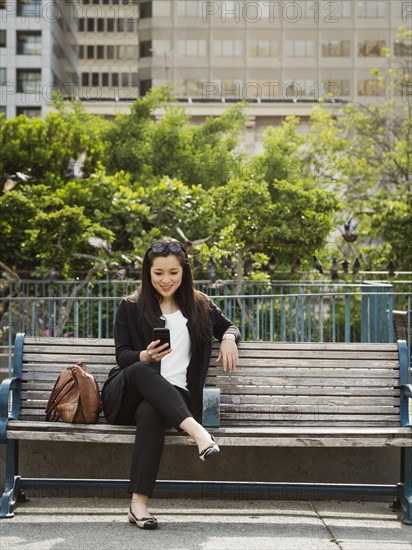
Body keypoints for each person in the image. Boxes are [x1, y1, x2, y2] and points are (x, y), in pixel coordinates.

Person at [101, 239, 239, 530]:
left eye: (173, 273)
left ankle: (138, 505)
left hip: (171, 402)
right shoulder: (131, 306)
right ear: (148, 272)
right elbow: (122, 354)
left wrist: (228, 338)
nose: (166, 280)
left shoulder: (199, 305)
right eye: (158, 272)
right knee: (141, 369)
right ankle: (197, 432)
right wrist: (145, 355)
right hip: (127, 394)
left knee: (153, 411)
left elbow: (229, 326)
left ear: (184, 272)